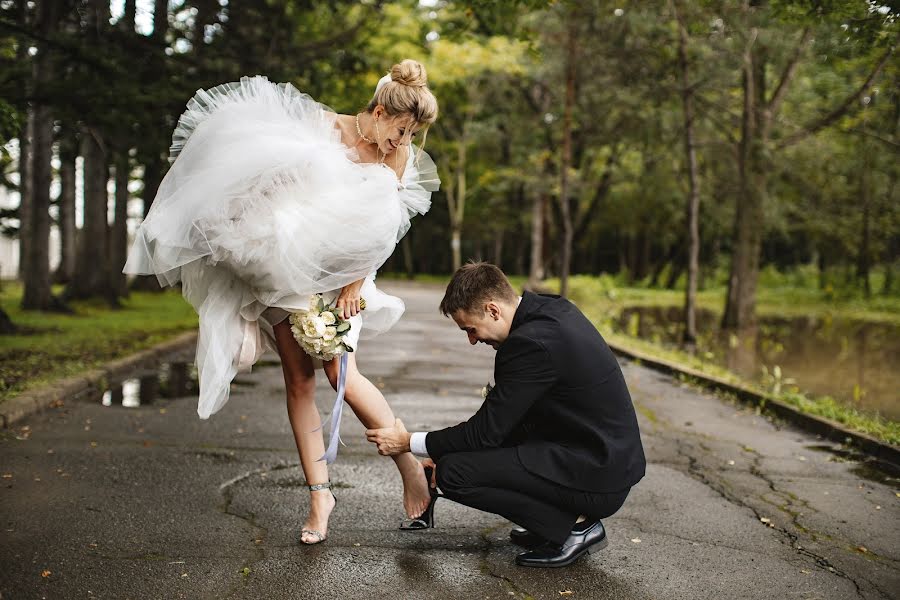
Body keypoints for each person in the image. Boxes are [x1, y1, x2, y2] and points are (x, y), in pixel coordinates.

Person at [124, 59, 440, 544]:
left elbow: (383, 230)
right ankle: (320, 495)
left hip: (342, 275)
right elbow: (262, 183)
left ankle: (408, 466)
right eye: (399, 132)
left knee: (340, 374)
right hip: (284, 266)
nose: (403, 145)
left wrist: (356, 283)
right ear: (378, 112)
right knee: (298, 380)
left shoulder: (397, 158)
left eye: (412, 135)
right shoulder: (323, 127)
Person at [366, 262, 646, 567]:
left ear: (493, 310)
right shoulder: (551, 310)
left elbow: (485, 433)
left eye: (470, 329)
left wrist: (408, 442)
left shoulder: (529, 344)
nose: (472, 340)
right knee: (456, 460)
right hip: (599, 458)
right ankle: (552, 525)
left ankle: (574, 528)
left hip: (596, 475)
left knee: (454, 474)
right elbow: (509, 421)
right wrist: (446, 447)